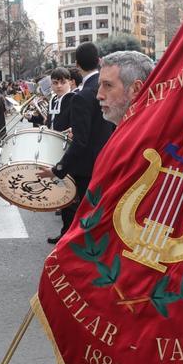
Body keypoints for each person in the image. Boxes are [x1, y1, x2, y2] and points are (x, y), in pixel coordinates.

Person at [38, 42, 115, 243]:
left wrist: (58, 169)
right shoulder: (108, 88)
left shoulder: (82, 96)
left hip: (86, 167)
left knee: (82, 213)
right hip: (106, 159)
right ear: (99, 61)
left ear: (77, 65)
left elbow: (80, 142)